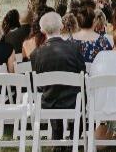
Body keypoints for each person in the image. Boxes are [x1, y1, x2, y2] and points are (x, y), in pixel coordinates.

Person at [29, 12, 86, 141]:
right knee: (82, 93)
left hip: (48, 102)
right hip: (74, 102)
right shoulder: (74, 48)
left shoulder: (35, 54)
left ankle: (57, 136)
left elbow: (38, 85)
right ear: (61, 27)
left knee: (52, 91)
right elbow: (82, 74)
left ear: (42, 30)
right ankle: (73, 137)